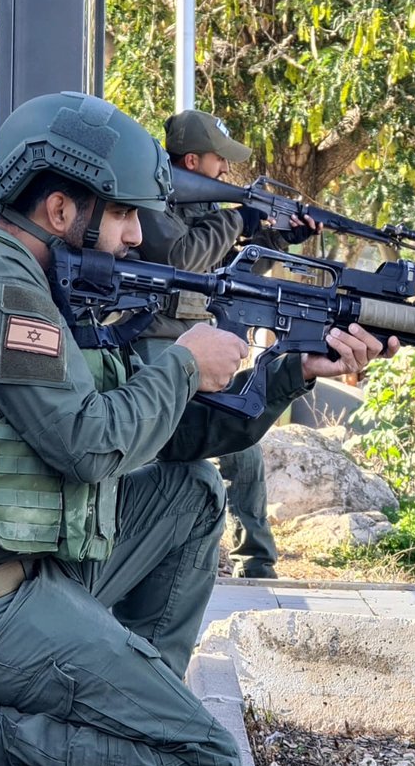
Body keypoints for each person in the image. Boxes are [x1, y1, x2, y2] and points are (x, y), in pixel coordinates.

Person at [0, 92, 394, 766]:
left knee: (191, 495)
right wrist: (187, 362)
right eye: (127, 212)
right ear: (62, 210)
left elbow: (170, 437)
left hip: (24, 567)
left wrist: (290, 374)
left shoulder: (45, 284)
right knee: (206, 760)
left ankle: (128, 731)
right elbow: (89, 445)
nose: (137, 235)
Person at [134, 108, 319, 579]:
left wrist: (274, 238)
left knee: (245, 449)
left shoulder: (208, 210)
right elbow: (182, 259)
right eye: (220, 160)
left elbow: (227, 281)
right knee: (165, 450)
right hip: (154, 343)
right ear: (192, 162)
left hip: (198, 340)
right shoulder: (153, 203)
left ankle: (256, 562)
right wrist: (238, 223)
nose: (226, 169)